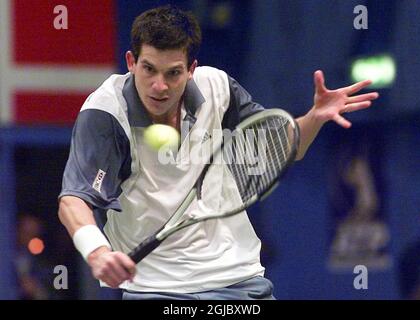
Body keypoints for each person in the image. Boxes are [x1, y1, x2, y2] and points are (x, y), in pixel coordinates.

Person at [58, 5, 378, 300]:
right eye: (149, 69)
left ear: (191, 68)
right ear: (131, 62)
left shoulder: (219, 88)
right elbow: (74, 199)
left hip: (237, 281)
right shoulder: (106, 112)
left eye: (173, 73)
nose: (160, 85)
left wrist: (314, 118)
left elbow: (285, 147)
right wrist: (97, 252)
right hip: (155, 288)